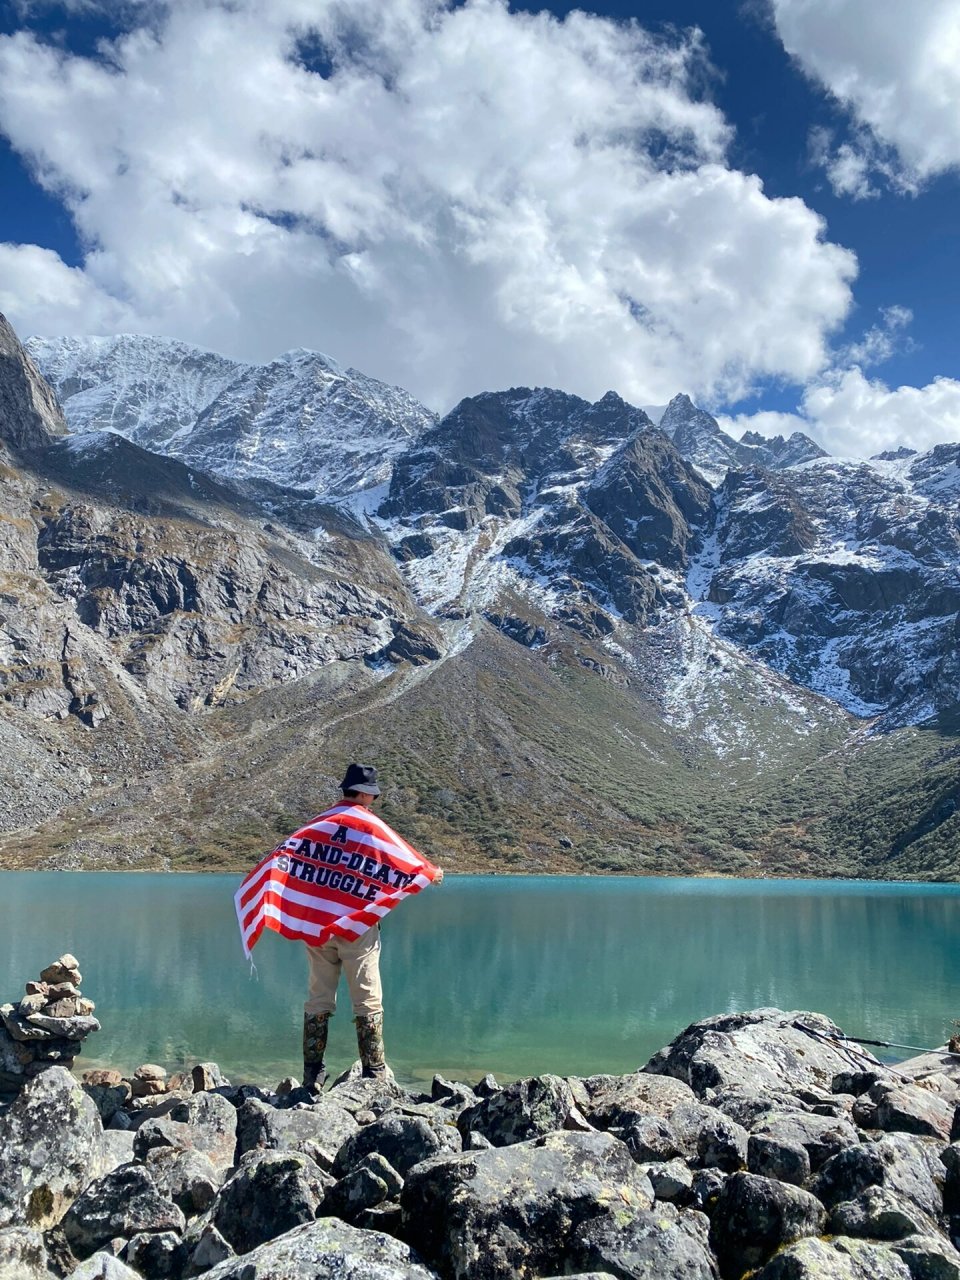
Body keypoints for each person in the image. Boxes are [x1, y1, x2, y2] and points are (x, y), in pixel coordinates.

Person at [302, 762, 443, 1089]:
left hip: (318, 925)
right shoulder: (368, 825)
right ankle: (374, 1073)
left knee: (318, 998)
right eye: (373, 794)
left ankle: (312, 1075)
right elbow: (398, 858)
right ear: (364, 793)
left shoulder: (319, 823)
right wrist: (429, 872)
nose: (374, 800)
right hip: (356, 927)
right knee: (367, 998)